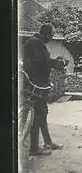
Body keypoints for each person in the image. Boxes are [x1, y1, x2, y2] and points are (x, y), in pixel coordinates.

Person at [23, 24, 64, 156]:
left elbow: (42, 61)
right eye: (51, 36)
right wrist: (57, 63)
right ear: (46, 34)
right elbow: (39, 62)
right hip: (35, 85)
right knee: (38, 115)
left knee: (42, 112)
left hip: (38, 83)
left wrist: (55, 62)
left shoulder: (36, 42)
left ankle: (47, 142)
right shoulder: (35, 43)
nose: (51, 39)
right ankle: (34, 148)